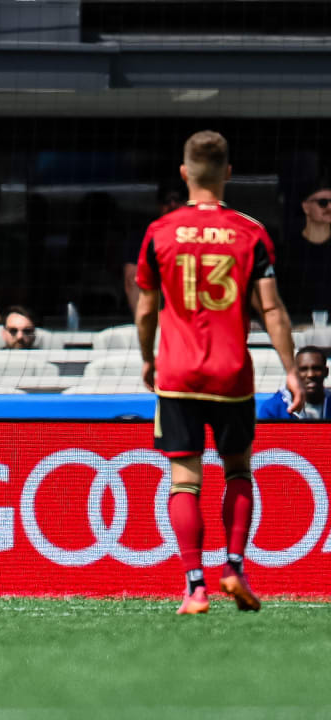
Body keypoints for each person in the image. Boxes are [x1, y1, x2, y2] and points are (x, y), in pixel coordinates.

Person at [135, 130, 303, 615]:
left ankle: (195, 588)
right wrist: (290, 370)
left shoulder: (160, 232)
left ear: (184, 173)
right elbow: (271, 310)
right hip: (233, 375)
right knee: (238, 472)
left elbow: (146, 309)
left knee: (184, 482)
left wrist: (148, 357)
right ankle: (233, 566)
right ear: (229, 174)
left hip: (179, 374)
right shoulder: (250, 232)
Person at [125, 179, 187, 313]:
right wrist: (152, 326)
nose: (172, 204)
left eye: (178, 199)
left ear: (188, 203)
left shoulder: (203, 233)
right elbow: (132, 279)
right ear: (159, 205)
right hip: (160, 317)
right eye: (166, 200)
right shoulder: (147, 236)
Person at [277, 179, 331, 325]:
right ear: (306, 207)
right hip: (296, 326)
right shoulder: (287, 251)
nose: (329, 207)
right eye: (323, 203)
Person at [258, 346, 329, 419]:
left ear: (326, 372)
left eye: (316, 368)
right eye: (303, 369)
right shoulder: (273, 408)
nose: (310, 375)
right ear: (295, 374)